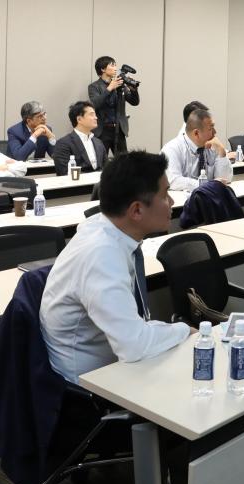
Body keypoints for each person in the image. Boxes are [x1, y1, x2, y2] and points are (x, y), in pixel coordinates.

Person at [40, 151, 192, 383]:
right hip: (87, 386)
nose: (172, 202)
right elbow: (134, 345)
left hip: (114, 362)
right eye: (164, 195)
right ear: (136, 210)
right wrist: (183, 330)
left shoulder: (108, 229)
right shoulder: (101, 255)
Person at [161, 108, 233, 191]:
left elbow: (225, 180)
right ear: (196, 133)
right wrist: (206, 184)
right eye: (210, 129)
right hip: (183, 198)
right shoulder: (172, 149)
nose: (215, 132)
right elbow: (173, 181)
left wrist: (222, 152)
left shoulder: (212, 146)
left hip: (209, 196)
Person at [88, 56, 140, 157]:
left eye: (116, 65)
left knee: (123, 162)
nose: (115, 68)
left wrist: (134, 90)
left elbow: (134, 102)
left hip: (119, 130)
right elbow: (95, 104)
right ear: (103, 69)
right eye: (112, 65)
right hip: (102, 131)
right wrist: (110, 88)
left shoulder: (120, 85)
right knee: (101, 161)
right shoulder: (94, 87)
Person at [51, 101, 106, 175]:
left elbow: (106, 168)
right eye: (91, 115)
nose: (96, 118)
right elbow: (63, 173)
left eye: (95, 115)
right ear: (79, 119)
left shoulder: (99, 142)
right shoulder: (63, 144)